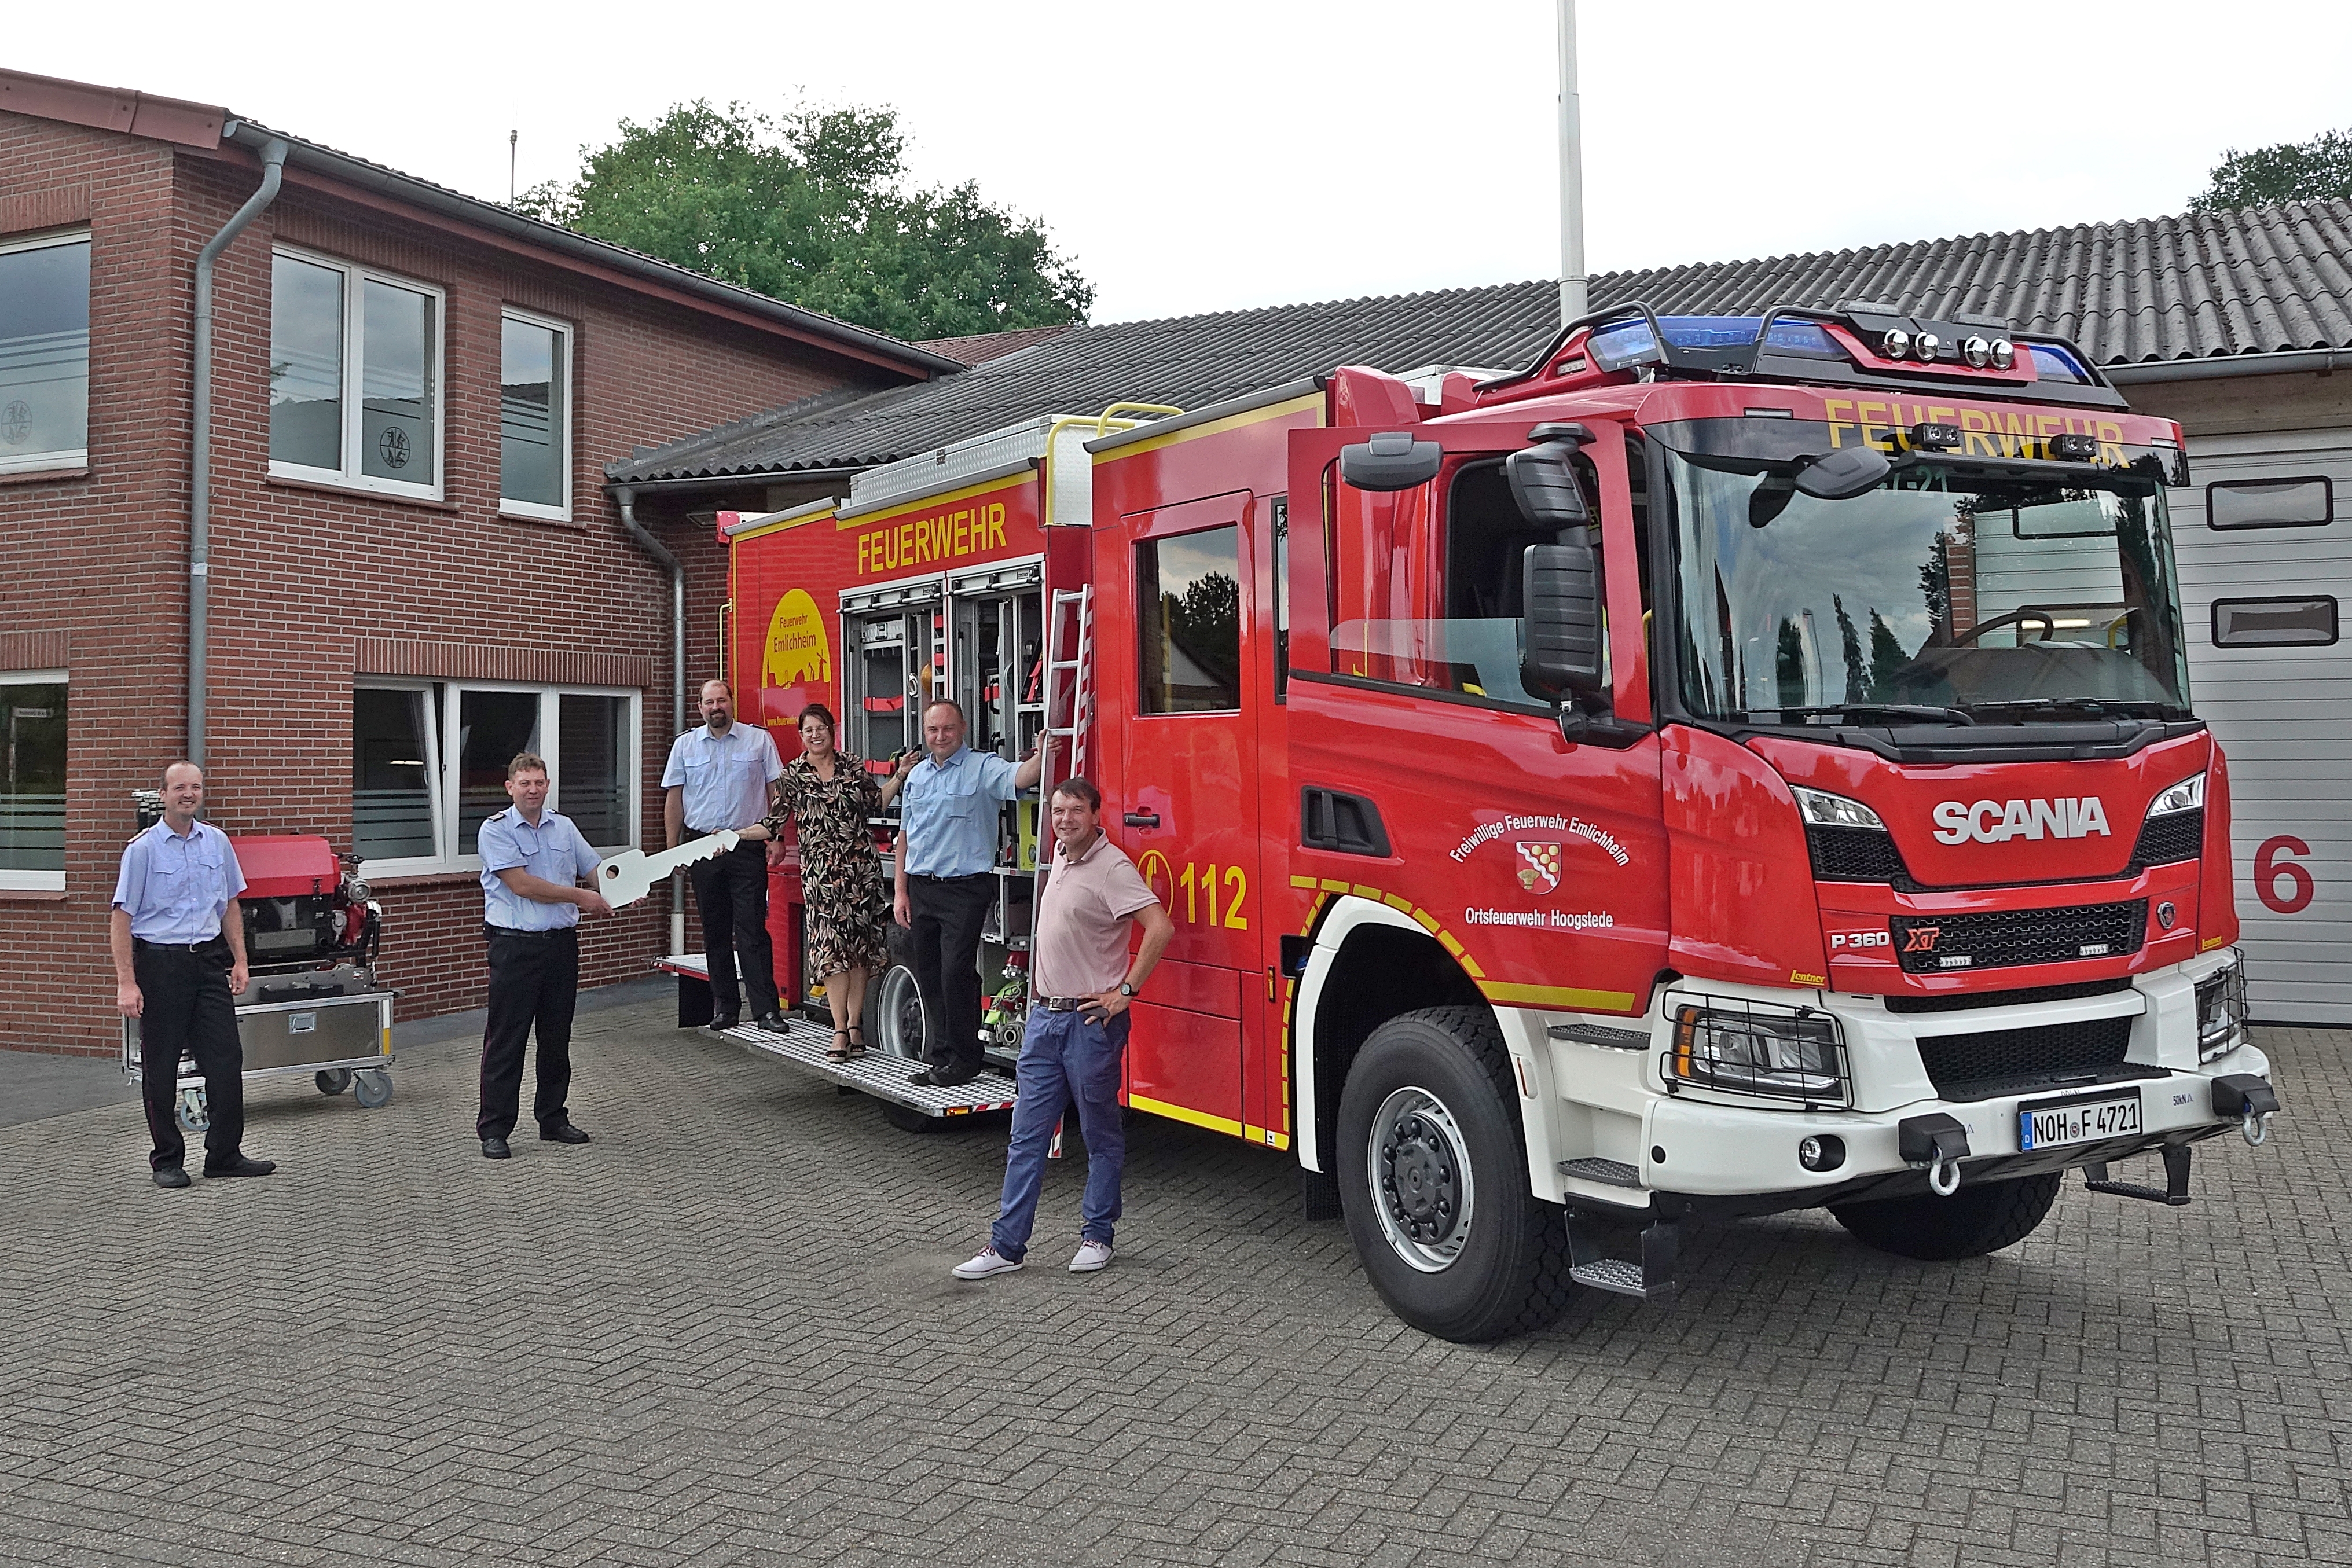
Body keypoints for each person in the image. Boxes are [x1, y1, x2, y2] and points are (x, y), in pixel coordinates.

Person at [953, 776, 1175, 1278]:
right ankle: (1006, 1247)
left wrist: (1126, 992)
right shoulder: (1059, 860)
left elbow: (1160, 926)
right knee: (1025, 1136)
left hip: (1089, 1022)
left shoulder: (1112, 867)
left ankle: (1098, 1235)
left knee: (1099, 1134)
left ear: (1096, 815)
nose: (1064, 819)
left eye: (1075, 810)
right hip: (1044, 1019)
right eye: (1057, 811)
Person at [109, 761, 273, 1189]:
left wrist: (240, 960)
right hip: (161, 967)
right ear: (163, 795)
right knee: (161, 1066)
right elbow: (122, 917)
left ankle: (224, 1155)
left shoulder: (217, 843)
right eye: (179, 787)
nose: (189, 794)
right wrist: (127, 981)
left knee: (226, 1059)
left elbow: (230, 905)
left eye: (196, 787)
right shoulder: (143, 849)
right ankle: (166, 1159)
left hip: (208, 963)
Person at [736, 704, 904, 1061]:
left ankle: (857, 1024)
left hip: (862, 872)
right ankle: (839, 1029)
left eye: (821, 728)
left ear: (832, 730)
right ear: (802, 737)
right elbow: (773, 823)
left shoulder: (852, 767)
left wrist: (899, 777)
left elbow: (876, 803)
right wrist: (738, 836)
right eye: (808, 730)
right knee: (832, 953)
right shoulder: (793, 775)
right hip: (822, 878)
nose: (815, 735)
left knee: (861, 950)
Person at [893, 699, 1042, 1088]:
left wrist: (1045, 752)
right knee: (928, 974)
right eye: (932, 730)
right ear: (924, 733)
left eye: (947, 729)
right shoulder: (918, 776)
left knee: (954, 971)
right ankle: (941, 1056)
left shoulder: (982, 767)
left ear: (962, 729)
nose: (939, 736)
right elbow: (904, 837)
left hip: (965, 889)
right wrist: (900, 892)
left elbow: (1021, 778)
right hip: (922, 886)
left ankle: (965, 1059)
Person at [475, 751, 614, 1160]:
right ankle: (495, 1128)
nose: (533, 790)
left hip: (559, 945)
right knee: (507, 1039)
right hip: (515, 946)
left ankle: (552, 1118)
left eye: (539, 782)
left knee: (556, 1037)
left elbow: (596, 871)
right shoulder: (495, 830)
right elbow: (521, 885)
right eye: (525, 783)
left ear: (548, 785)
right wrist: (583, 897)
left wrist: (625, 889)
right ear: (510, 787)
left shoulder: (564, 827)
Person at [662, 678, 786, 1031]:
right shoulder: (685, 746)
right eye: (708, 702)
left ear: (732, 703)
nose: (716, 708)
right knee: (715, 933)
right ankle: (725, 1009)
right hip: (702, 849)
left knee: (752, 931)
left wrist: (775, 836)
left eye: (721, 701)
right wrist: (674, 850)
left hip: (745, 845)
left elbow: (775, 791)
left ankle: (766, 1010)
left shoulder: (758, 740)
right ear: (700, 707)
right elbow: (674, 800)